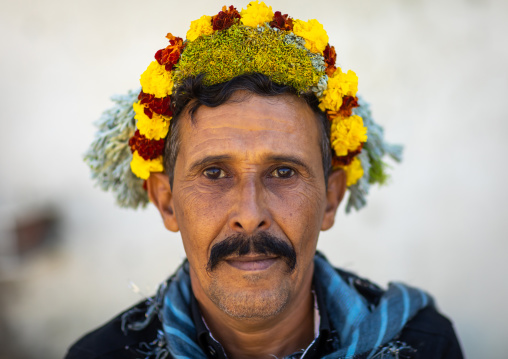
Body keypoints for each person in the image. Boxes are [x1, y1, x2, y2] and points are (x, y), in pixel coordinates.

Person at [71, 2, 463, 358]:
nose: (250, 213)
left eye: (283, 172)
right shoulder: (103, 354)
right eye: (214, 173)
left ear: (330, 198)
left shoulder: (425, 345)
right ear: (166, 201)